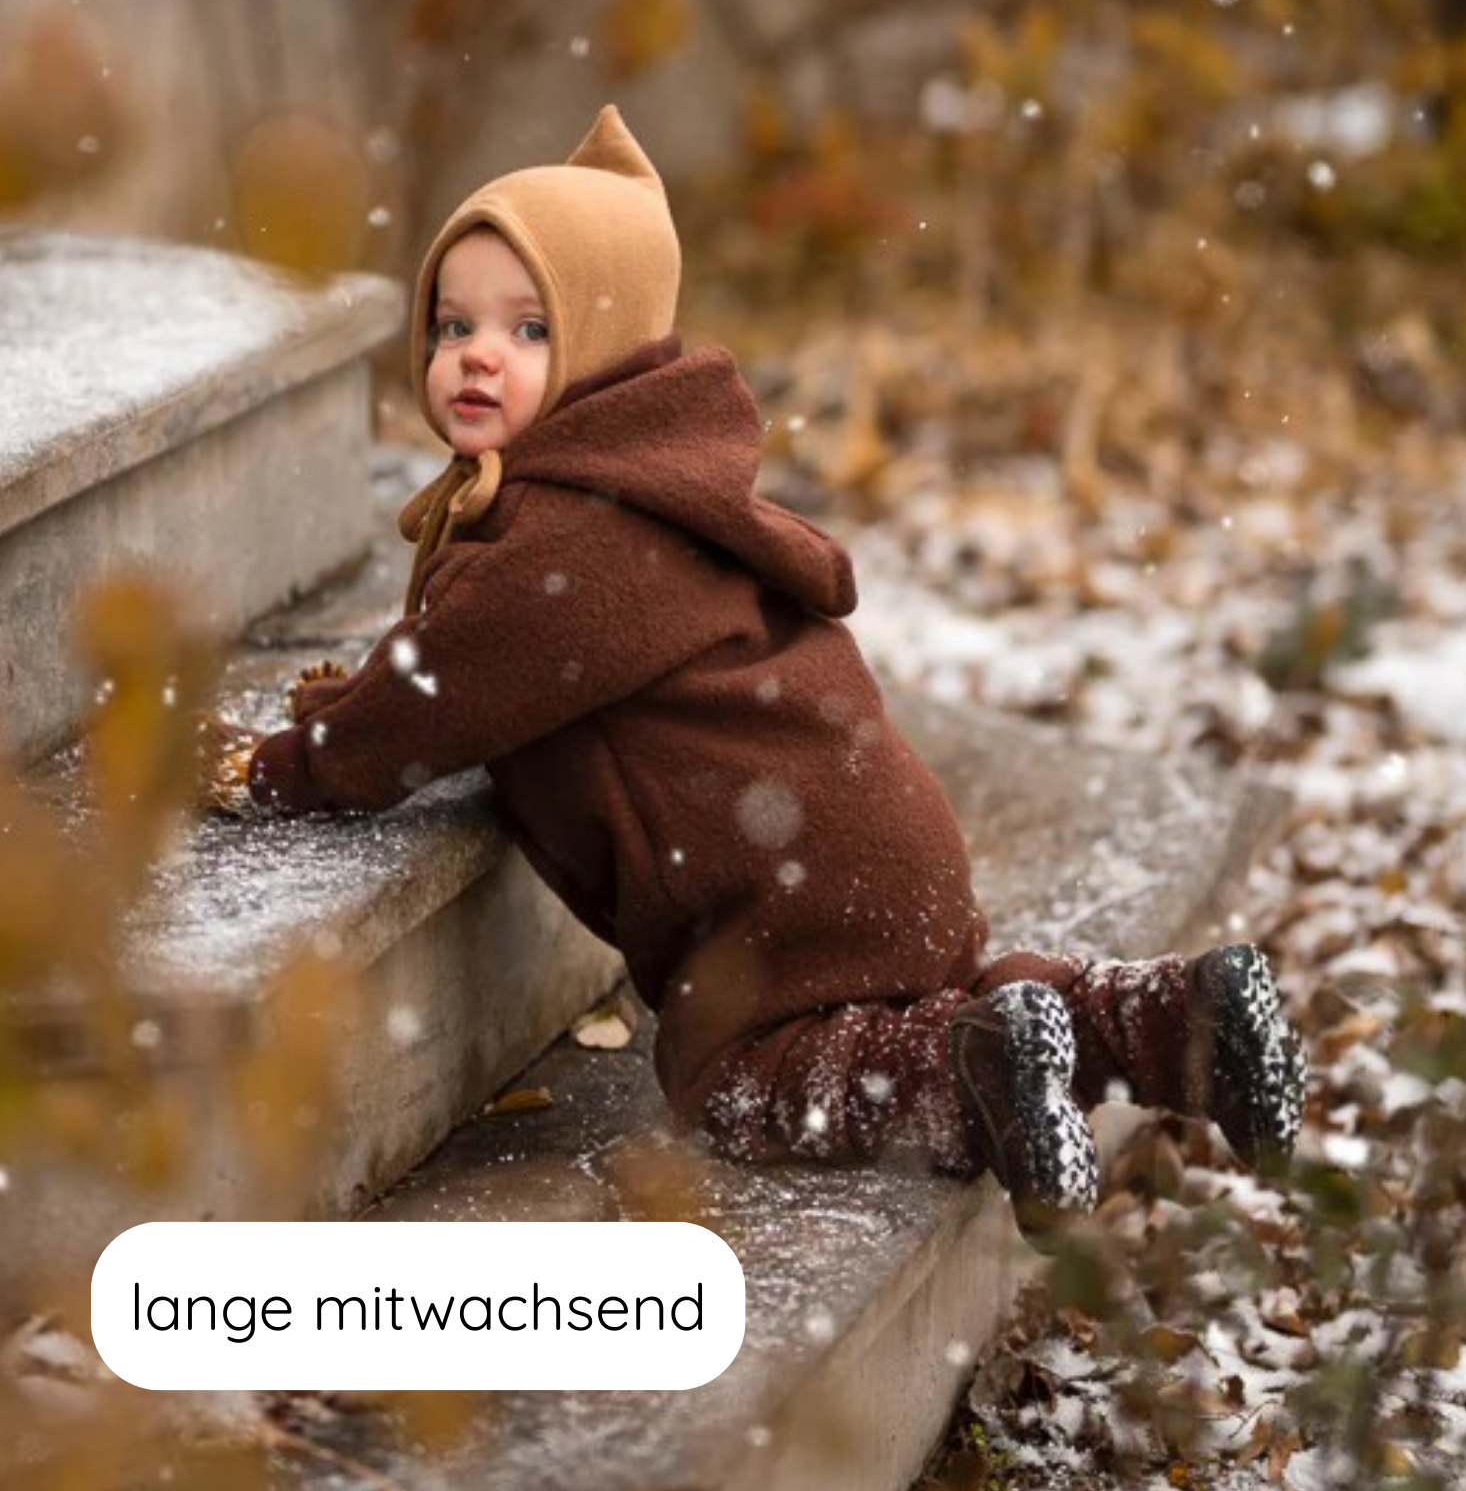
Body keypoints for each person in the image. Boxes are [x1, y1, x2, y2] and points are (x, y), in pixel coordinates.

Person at [241, 106, 1305, 1244]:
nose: (477, 352)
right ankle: (1168, 1020)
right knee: (941, 992)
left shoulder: (569, 538)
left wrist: (302, 759)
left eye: (531, 327)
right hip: (874, 842)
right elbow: (466, 648)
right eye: (453, 321)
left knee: (742, 1077)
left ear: (605, 345)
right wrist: (354, 690)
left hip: (779, 891)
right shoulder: (652, 486)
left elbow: (441, 689)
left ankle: (960, 1071)